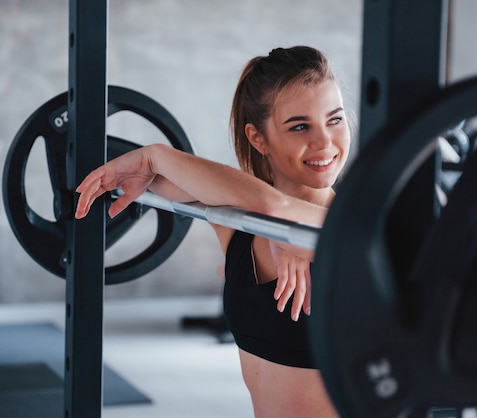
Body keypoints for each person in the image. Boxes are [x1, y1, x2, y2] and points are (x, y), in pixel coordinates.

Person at [75, 45, 351, 418]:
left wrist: (155, 153)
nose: (324, 142)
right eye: (300, 126)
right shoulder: (238, 223)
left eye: (334, 120)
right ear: (258, 139)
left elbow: (274, 207)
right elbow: (159, 183)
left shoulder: (358, 226)